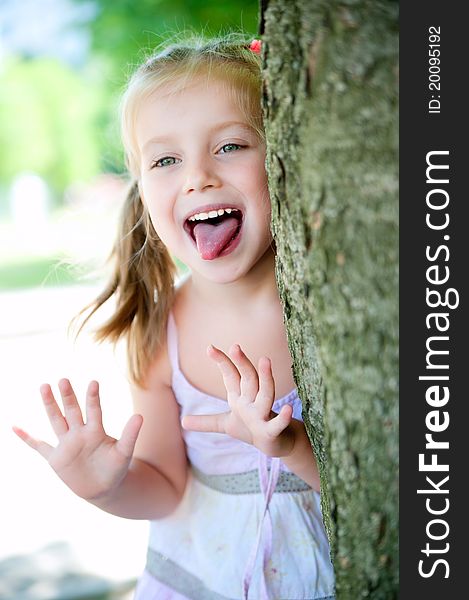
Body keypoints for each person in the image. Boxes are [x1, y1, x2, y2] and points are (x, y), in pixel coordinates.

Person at [13, 35, 336, 600]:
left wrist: (288, 447)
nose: (197, 178)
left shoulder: (332, 307)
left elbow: (381, 492)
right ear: (141, 190)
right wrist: (104, 488)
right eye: (166, 159)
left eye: (231, 145)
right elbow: (163, 489)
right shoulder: (162, 332)